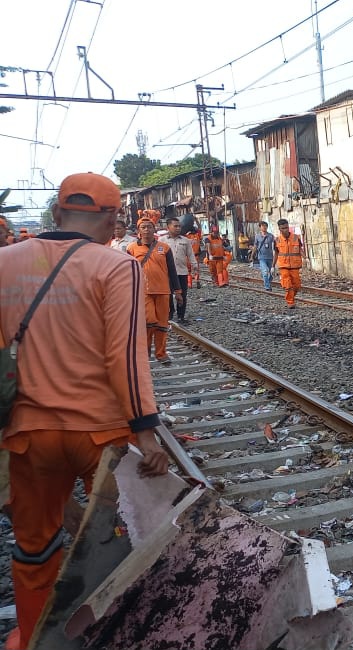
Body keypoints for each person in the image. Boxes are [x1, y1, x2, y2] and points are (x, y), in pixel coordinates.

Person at [0, 172, 170, 650]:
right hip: (100, 436)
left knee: (34, 550)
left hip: (28, 434)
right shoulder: (117, 267)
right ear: (114, 218)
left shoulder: (3, 262)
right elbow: (126, 356)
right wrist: (147, 432)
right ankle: (114, 633)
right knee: (121, 537)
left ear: (56, 213)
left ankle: (37, 638)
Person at [128, 217, 183, 364]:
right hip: (143, 291)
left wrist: (178, 291)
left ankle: (161, 354)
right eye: (143, 227)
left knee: (162, 324)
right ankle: (144, 352)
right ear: (139, 230)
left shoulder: (164, 248)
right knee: (149, 321)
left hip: (163, 291)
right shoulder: (131, 249)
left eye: (149, 227)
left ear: (154, 229)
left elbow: (172, 271)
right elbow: (127, 272)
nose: (146, 230)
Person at [160, 216, 198, 324]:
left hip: (181, 272)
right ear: (168, 227)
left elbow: (190, 255)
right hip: (166, 273)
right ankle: (170, 314)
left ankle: (181, 316)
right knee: (167, 295)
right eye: (175, 226)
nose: (178, 228)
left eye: (179, 226)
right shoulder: (161, 241)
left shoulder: (185, 241)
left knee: (182, 295)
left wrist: (194, 266)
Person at [274, 219, 303, 308]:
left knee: (297, 285)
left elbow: (300, 250)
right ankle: (290, 302)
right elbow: (276, 253)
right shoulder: (277, 240)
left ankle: (290, 297)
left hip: (295, 266)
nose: (285, 230)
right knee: (288, 285)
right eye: (283, 228)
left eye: (286, 228)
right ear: (279, 229)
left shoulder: (296, 238)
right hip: (283, 266)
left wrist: (306, 258)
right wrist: (273, 266)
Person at [253, 221, 276, 291]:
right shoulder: (257, 236)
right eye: (263, 226)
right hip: (261, 257)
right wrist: (252, 255)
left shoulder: (271, 236)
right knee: (265, 272)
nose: (264, 227)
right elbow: (255, 246)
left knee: (271, 273)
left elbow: (275, 246)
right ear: (260, 227)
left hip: (270, 257)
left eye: (265, 226)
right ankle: (267, 287)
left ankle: (268, 282)